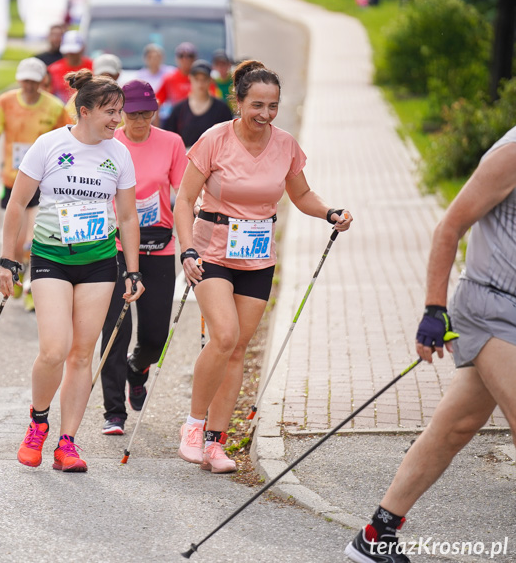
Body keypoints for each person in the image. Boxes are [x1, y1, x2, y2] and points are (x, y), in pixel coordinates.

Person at [344, 126, 516, 563]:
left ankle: (375, 535)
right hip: (489, 308)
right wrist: (434, 309)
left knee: (454, 429)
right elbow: (449, 226)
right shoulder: (511, 153)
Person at [174, 60, 352, 474]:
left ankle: (217, 444)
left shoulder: (285, 144)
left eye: (273, 105)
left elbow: (301, 193)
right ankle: (193, 426)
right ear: (238, 101)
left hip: (256, 256)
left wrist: (330, 212)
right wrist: (186, 249)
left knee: (237, 350)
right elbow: (184, 200)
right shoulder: (214, 139)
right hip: (211, 252)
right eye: (257, 104)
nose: (266, 114)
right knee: (224, 335)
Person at [0, 69, 145, 472]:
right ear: (84, 111)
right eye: (110, 112)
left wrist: (133, 272)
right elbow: (16, 203)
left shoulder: (119, 153)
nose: (118, 120)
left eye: (121, 112)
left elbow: (128, 217)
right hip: (51, 258)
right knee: (55, 349)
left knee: (81, 355)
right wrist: (8, 259)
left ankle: (68, 443)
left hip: (99, 261)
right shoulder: (50, 145)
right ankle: (38, 422)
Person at [98, 79, 187, 435]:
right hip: (115, 246)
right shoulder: (108, 144)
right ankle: (113, 411)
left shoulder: (172, 143)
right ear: (121, 113)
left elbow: (183, 193)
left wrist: (192, 239)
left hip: (158, 245)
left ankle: (138, 368)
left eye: (148, 113)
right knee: (116, 329)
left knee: (154, 335)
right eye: (133, 114)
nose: (141, 120)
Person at [0, 57, 72, 311]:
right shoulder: (5, 102)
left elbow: (67, 141)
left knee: (31, 242)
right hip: (15, 181)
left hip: (44, 185)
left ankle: (34, 287)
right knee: (19, 242)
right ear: (20, 79)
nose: (30, 86)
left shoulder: (55, 107)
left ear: (42, 80)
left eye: (34, 81)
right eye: (26, 81)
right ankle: (19, 273)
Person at [163, 59, 233, 149]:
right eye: (197, 79)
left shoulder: (222, 109)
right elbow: (170, 139)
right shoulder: (179, 109)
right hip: (185, 158)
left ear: (210, 80)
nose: (200, 83)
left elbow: (228, 140)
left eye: (204, 79)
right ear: (190, 78)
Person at [155, 42, 197, 121]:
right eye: (181, 56)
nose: (185, 59)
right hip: (177, 121)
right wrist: (158, 127)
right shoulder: (170, 79)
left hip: (198, 119)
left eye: (190, 56)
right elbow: (157, 102)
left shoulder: (202, 78)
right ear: (176, 58)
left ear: (195, 58)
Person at [48, 30, 93, 103]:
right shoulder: (53, 70)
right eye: (68, 51)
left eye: (74, 52)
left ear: (82, 49)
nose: (71, 54)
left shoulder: (93, 66)